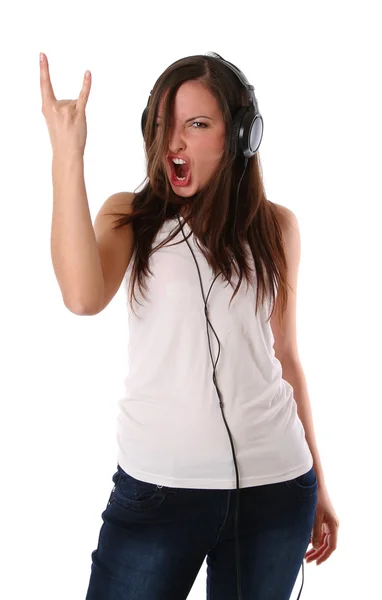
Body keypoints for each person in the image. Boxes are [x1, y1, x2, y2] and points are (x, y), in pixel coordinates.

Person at [40, 51, 339, 600]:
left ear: (242, 135)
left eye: (197, 125)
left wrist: (318, 481)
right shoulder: (130, 216)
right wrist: (67, 156)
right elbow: (82, 297)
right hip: (158, 493)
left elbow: (287, 355)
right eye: (163, 126)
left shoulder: (277, 227)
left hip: (274, 489)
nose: (173, 143)